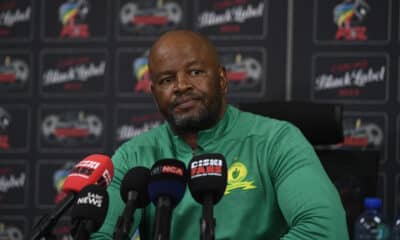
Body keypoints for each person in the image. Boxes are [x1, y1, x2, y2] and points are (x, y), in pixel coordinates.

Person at [90, 30, 349, 239]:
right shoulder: (133, 156)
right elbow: (98, 235)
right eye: (167, 80)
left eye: (195, 72)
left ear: (223, 79)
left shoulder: (277, 140)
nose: (181, 86)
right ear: (154, 93)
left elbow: (325, 231)